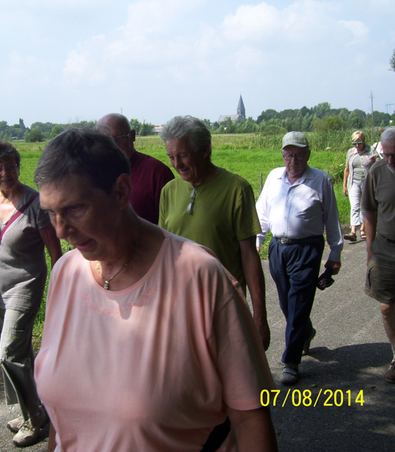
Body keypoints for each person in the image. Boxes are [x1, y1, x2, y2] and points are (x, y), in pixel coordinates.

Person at [33, 128, 278, 452]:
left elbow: (251, 419)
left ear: (121, 192)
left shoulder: (200, 277)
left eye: (75, 208)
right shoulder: (66, 273)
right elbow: (61, 421)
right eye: (50, 212)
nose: (61, 230)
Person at [0, 140, 62, 447]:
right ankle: (34, 408)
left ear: (18, 168)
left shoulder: (36, 203)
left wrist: (60, 288)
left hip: (25, 286)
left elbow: (55, 251)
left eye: (10, 166)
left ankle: (35, 418)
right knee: (21, 353)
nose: (4, 173)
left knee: (9, 353)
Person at [158, 115, 270, 350]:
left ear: (205, 150)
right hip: (179, 308)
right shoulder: (169, 191)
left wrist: (260, 318)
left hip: (225, 306)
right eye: (171, 157)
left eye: (183, 155)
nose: (177, 164)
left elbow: (250, 256)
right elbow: (162, 253)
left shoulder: (236, 189)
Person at [256, 131, 343, 385]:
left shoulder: (320, 180)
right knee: (287, 303)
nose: (293, 160)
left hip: (307, 250)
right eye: (288, 154)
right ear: (282, 155)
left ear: (308, 155)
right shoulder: (273, 177)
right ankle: (305, 330)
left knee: (298, 303)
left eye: (298, 154)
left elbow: (332, 219)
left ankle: (291, 361)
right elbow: (262, 213)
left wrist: (335, 253)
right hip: (278, 249)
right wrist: (256, 244)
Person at [361, 127, 395, 383]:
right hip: (386, 248)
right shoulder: (377, 172)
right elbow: (370, 212)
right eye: (386, 154)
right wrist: (370, 248)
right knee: (386, 307)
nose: (390, 160)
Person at [96, 113, 174, 224]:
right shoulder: (94, 174)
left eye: (119, 138)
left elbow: (172, 224)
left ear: (132, 135)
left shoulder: (157, 172)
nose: (113, 145)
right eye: (106, 139)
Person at [342, 130, 378, 241]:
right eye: (354, 143)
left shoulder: (371, 151)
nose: (357, 146)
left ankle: (363, 229)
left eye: (359, 143)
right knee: (354, 205)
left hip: (367, 182)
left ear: (364, 141)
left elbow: (378, 167)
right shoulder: (351, 152)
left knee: (364, 205)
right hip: (353, 182)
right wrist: (344, 185)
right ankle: (353, 231)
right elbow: (347, 169)